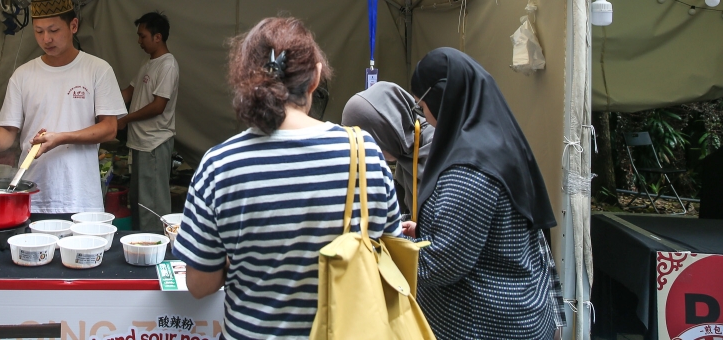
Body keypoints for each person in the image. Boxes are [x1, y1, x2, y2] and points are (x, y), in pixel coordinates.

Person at [173, 17, 402, 340]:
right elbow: (391, 261)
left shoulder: (220, 165)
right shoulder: (364, 154)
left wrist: (235, 256)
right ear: (316, 77)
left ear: (245, 80)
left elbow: (199, 285)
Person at [404, 47, 565, 340]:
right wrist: (426, 230)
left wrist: (390, 245)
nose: (424, 117)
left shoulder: (468, 168)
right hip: (520, 309)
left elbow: (442, 265)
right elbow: (489, 233)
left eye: (422, 105)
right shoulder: (498, 140)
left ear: (442, 97)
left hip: (487, 323)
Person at [0, 0, 127, 213]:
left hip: (81, 198)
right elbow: (8, 130)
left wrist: (61, 138)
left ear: (73, 26)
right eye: (39, 31)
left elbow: (110, 129)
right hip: (33, 196)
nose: (46, 39)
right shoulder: (23, 75)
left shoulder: (97, 70)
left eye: (54, 31)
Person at [119, 12, 180, 232]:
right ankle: (139, 246)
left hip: (154, 143)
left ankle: (157, 250)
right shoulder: (149, 62)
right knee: (140, 201)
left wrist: (125, 119)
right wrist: (104, 104)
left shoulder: (168, 65)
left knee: (152, 205)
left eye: (142, 36)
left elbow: (158, 106)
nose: (139, 41)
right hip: (140, 143)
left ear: (158, 37)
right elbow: (129, 92)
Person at [342, 81, 434, 217]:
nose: (366, 155)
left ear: (387, 132)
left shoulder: (436, 146)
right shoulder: (406, 152)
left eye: (368, 145)